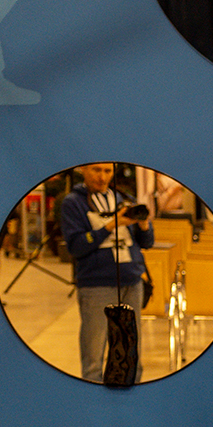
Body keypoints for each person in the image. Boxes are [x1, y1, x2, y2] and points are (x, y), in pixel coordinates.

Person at [61, 162, 153, 384]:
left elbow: (147, 243)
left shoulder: (123, 198)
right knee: (94, 351)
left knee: (130, 349)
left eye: (107, 171)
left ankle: (130, 394)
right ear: (83, 169)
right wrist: (111, 226)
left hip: (131, 280)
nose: (102, 177)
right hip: (97, 284)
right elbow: (76, 246)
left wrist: (143, 225)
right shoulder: (73, 203)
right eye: (96, 170)